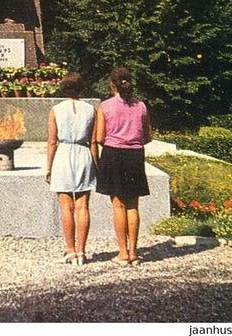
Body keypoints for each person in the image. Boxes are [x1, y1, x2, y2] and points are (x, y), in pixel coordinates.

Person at [96, 67, 153, 266]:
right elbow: (148, 136)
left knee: (118, 204)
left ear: (112, 85)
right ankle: (134, 252)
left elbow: (99, 137)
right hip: (135, 155)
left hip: (114, 154)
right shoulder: (141, 106)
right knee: (133, 205)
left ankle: (122, 252)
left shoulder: (105, 106)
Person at [45, 72, 99, 266]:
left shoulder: (56, 110)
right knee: (83, 206)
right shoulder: (91, 110)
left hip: (63, 153)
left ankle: (70, 250)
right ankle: (81, 251)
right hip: (83, 153)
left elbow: (52, 141)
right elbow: (93, 142)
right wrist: (96, 165)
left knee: (66, 207)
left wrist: (49, 167)